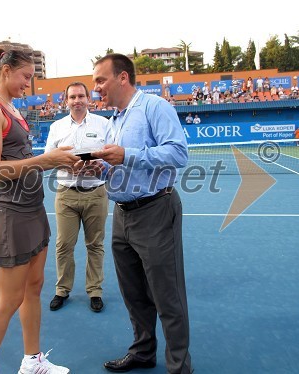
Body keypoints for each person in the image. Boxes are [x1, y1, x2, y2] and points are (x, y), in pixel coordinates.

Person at [0, 48, 80, 374]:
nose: (28, 84)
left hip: (34, 210)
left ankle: (32, 361)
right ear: (6, 71)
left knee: (34, 288)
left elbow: (21, 159)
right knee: (8, 301)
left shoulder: (12, 109)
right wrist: (46, 161)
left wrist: (54, 159)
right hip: (11, 216)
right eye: (25, 77)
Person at [91, 54, 192, 374]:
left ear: (122, 78)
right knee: (133, 294)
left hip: (155, 211)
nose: (96, 88)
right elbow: (115, 167)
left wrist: (127, 155)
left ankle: (179, 367)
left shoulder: (154, 107)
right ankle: (143, 352)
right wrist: (99, 169)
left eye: (100, 80)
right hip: (121, 216)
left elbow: (178, 153)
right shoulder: (114, 121)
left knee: (167, 297)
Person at [44, 82, 108, 313]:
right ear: (66, 100)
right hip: (66, 195)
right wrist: (68, 167)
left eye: (81, 96)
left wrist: (102, 166)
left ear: (88, 98)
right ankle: (62, 290)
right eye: (72, 97)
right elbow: (48, 158)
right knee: (64, 245)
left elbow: (114, 154)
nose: (77, 100)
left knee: (95, 245)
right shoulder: (57, 127)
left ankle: (95, 291)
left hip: (96, 194)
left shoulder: (104, 124)